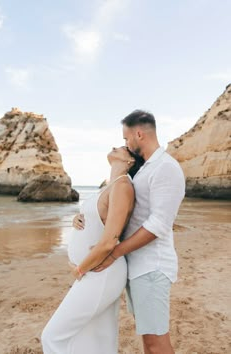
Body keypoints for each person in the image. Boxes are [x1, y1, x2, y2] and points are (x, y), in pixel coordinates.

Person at [74, 110, 185, 354]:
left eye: (126, 139)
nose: (125, 144)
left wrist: (114, 253)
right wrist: (86, 217)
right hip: (138, 268)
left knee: (156, 342)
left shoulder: (166, 168)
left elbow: (158, 225)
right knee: (148, 339)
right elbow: (122, 213)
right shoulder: (144, 170)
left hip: (152, 268)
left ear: (138, 133)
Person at [41, 146, 144, 354]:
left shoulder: (123, 186)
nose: (116, 146)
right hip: (95, 271)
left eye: (123, 148)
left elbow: (109, 241)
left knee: (52, 336)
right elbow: (99, 218)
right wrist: (77, 218)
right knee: (97, 339)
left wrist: (79, 270)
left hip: (100, 273)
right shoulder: (110, 185)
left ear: (130, 161)